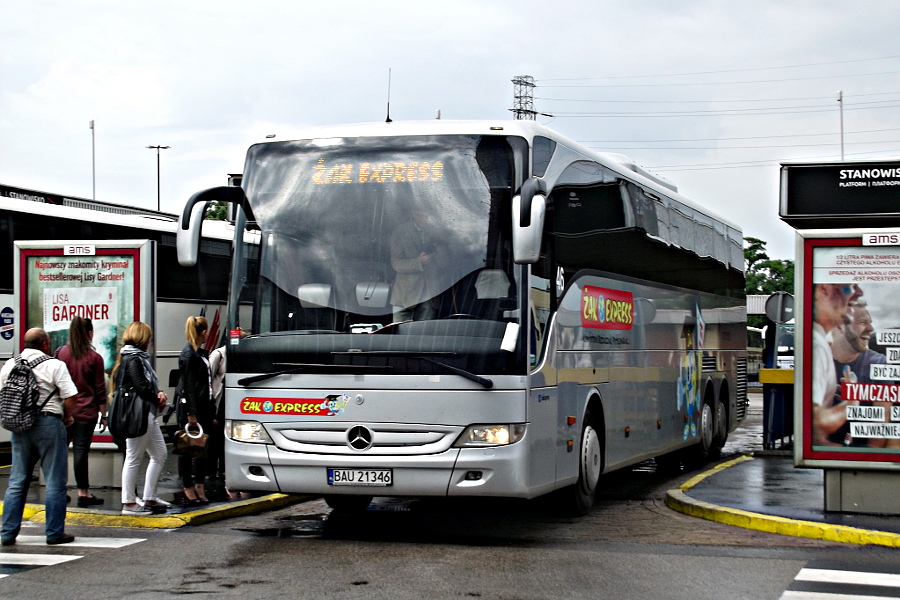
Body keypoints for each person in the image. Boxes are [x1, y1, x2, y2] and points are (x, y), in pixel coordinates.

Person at [1, 328, 79, 546]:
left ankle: (7, 533)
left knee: (17, 481)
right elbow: (71, 396)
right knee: (54, 481)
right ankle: (54, 533)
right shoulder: (55, 365)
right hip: (48, 423)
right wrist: (67, 417)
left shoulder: (10, 365)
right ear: (45, 343)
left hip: (20, 426)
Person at [112, 322, 169, 515]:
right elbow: (141, 387)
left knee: (159, 454)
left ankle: (150, 497)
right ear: (142, 339)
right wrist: (157, 396)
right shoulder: (134, 359)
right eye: (149, 339)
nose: (150, 343)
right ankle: (128, 502)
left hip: (146, 414)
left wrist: (156, 395)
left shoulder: (131, 358)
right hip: (140, 414)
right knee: (134, 457)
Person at [55, 316, 107, 507]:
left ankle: (58, 489)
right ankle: (83, 492)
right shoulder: (95, 358)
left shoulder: (61, 353)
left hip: (64, 411)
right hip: (86, 412)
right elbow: (100, 389)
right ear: (90, 334)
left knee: (60, 451)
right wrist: (105, 415)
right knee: (80, 452)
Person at [811, 283, 862, 446]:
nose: (857, 292)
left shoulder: (819, 341)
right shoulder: (816, 345)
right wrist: (851, 404)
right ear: (824, 288)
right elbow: (816, 423)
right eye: (848, 287)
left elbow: (817, 437)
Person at [389, 208, 449, 321]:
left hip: (430, 294)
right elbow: (396, 263)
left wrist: (439, 252)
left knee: (424, 334)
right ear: (413, 213)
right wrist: (418, 262)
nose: (425, 218)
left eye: (427, 213)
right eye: (421, 213)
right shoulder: (400, 231)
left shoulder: (436, 232)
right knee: (400, 333)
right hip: (405, 295)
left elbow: (445, 264)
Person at [177, 316, 213, 505]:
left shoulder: (199, 353)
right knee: (189, 448)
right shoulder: (189, 355)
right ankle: (188, 485)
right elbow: (188, 385)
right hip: (194, 408)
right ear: (203, 332)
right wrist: (191, 412)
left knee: (202, 448)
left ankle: (199, 483)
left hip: (203, 406)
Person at [206, 343, 226, 483]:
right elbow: (209, 378)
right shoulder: (218, 355)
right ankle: (212, 470)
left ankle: (223, 469)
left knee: (225, 437)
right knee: (215, 438)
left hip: (229, 402)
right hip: (217, 402)